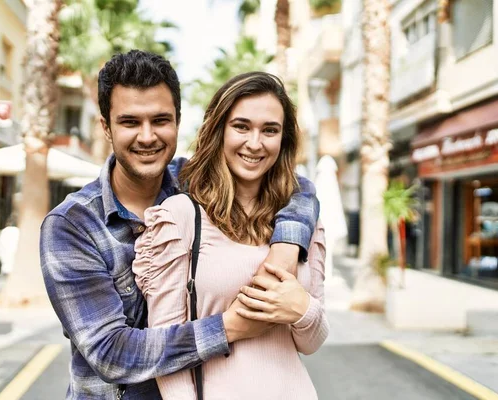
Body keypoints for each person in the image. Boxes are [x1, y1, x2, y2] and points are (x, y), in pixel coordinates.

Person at [39, 51, 319, 399]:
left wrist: (286, 247)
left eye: (160, 120)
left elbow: (296, 187)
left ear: (178, 120)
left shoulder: (197, 186)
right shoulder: (72, 225)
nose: (147, 137)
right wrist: (230, 327)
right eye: (130, 122)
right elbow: (110, 353)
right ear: (106, 127)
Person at [133, 72, 328, 399]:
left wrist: (302, 310)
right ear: (219, 130)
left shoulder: (304, 221)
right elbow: (166, 350)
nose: (255, 143)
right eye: (241, 127)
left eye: (270, 130)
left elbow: (311, 342)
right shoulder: (181, 216)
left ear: (284, 139)